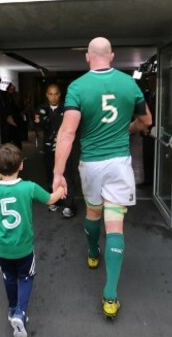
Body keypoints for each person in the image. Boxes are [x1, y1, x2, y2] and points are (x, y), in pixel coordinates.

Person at [52, 37, 152, 319]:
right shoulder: (129, 85)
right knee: (115, 223)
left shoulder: (77, 87)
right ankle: (110, 296)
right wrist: (127, 128)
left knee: (93, 212)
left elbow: (68, 133)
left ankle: (92, 252)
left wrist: (58, 173)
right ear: (112, 56)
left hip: (91, 164)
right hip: (119, 164)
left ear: (87, 57)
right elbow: (147, 122)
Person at [0, 143, 65, 337]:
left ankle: (11, 309)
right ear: (21, 166)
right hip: (24, 248)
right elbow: (51, 199)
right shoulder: (29, 187)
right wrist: (61, 190)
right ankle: (20, 312)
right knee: (26, 276)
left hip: (1, 248)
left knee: (8, 276)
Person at [34, 84, 76, 217]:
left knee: (67, 174)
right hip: (48, 147)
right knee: (50, 174)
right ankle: (54, 200)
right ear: (47, 95)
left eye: (56, 94)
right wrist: (39, 121)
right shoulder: (41, 108)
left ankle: (68, 205)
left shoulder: (66, 108)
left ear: (60, 94)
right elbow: (37, 125)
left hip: (64, 147)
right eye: (50, 94)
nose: (53, 97)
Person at [0, 83, 24, 149]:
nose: (12, 91)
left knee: (17, 140)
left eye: (13, 89)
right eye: (11, 89)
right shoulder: (5, 97)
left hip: (15, 120)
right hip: (8, 123)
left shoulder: (15, 96)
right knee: (8, 140)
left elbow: (18, 107)